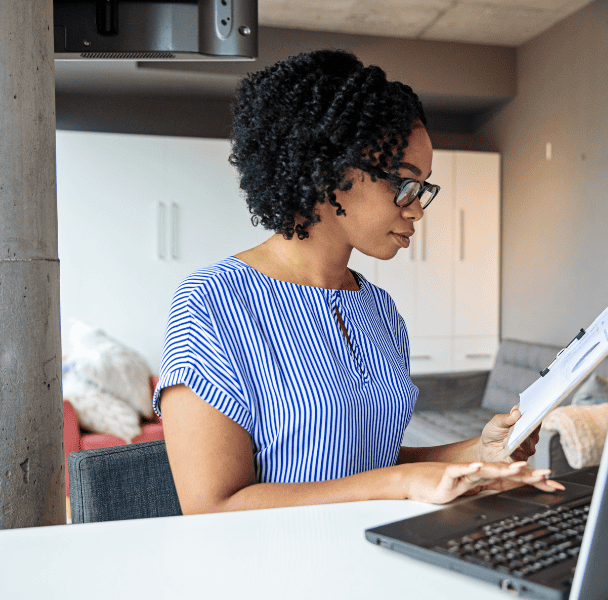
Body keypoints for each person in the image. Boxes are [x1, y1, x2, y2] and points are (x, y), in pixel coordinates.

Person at [154, 49, 562, 514]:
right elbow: (211, 507)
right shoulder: (212, 302)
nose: (418, 208)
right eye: (404, 183)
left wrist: (476, 453)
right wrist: (404, 481)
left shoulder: (379, 309)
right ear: (327, 171)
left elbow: (368, 466)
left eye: (424, 187)